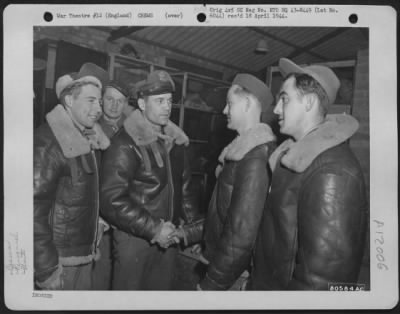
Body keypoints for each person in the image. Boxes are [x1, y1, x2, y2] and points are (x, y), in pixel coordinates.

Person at [249, 58, 367, 290]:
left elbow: (322, 281)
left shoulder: (332, 171)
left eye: (284, 99)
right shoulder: (297, 157)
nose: (275, 109)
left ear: (309, 103)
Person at [100, 70, 201, 290]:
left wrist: (194, 231)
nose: (167, 107)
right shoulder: (125, 143)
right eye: (159, 101)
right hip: (134, 239)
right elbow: (110, 199)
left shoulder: (175, 142)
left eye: (169, 101)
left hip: (169, 237)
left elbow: (185, 191)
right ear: (143, 105)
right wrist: (154, 229)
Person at [185, 74, 276, 290]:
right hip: (224, 264)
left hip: (234, 273)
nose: (225, 111)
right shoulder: (241, 150)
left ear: (246, 105)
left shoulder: (255, 157)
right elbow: (222, 212)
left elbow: (241, 234)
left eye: (230, 104)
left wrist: (212, 284)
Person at [34, 63, 110, 290]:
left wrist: (94, 220)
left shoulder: (84, 138)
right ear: (69, 100)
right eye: (91, 100)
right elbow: (32, 208)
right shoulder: (48, 141)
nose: (99, 108)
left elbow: (73, 195)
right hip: (59, 260)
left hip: (81, 253)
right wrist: (46, 268)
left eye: (99, 101)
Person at [92, 78, 131, 290]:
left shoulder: (132, 129)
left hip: (125, 208)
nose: (114, 105)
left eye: (120, 100)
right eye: (109, 99)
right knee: (100, 270)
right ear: (101, 100)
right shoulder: (90, 125)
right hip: (99, 210)